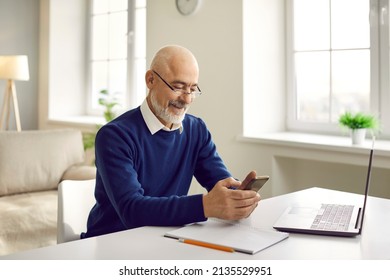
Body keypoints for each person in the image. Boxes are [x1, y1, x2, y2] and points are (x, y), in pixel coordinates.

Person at [81, 45, 261, 239]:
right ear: (150, 80)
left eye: (193, 89)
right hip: (111, 243)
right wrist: (205, 205)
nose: (186, 99)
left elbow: (220, 183)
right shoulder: (114, 136)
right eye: (178, 87)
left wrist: (238, 197)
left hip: (167, 238)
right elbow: (132, 210)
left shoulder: (196, 130)